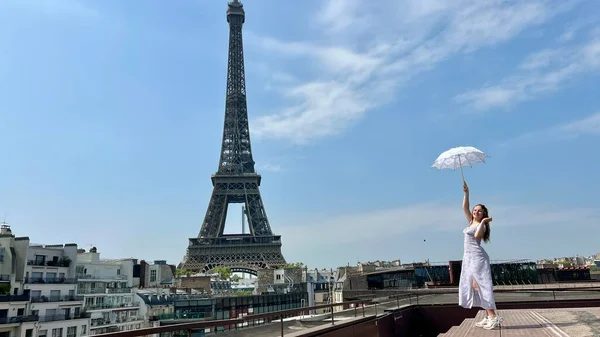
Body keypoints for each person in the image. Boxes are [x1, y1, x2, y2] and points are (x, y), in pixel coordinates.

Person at [459, 181, 503, 330]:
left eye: (480, 211)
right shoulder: (471, 221)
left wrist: (484, 221)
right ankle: (488, 315)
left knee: (481, 285)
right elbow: (464, 207)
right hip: (469, 258)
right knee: (475, 286)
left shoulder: (481, 225)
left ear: (484, 214)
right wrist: (466, 192)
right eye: (475, 210)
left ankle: (493, 317)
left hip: (478, 258)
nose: (476, 212)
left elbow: (477, 236)